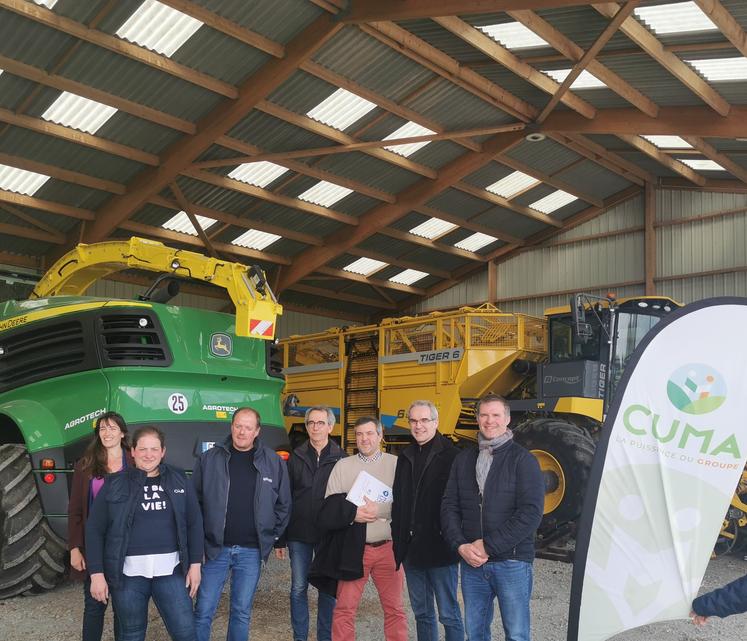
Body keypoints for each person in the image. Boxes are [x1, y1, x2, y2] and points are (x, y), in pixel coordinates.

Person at [441, 394, 544, 641]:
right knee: (475, 632)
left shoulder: (523, 460)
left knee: (517, 634)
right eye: (484, 415)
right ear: (477, 419)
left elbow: (530, 512)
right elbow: (449, 505)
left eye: (496, 415)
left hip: (513, 562)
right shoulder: (464, 459)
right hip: (472, 563)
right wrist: (460, 545)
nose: (490, 421)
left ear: (507, 419)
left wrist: (488, 545)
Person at [85, 426, 203, 641]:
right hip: (128, 576)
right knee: (131, 634)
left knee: (186, 633)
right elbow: (94, 530)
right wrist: (96, 574)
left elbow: (195, 523)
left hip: (171, 572)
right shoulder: (114, 484)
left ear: (163, 451)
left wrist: (195, 564)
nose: (149, 454)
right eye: (143, 449)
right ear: (133, 451)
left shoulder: (180, 480)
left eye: (154, 449)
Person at [193, 406, 291, 641]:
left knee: (241, 612)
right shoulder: (209, 459)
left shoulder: (273, 462)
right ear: (231, 426)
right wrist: (199, 541)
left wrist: (271, 536)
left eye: (248, 427)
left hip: (251, 551)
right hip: (215, 549)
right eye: (238, 426)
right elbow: (194, 503)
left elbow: (284, 504)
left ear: (257, 431)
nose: (242, 432)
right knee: (203, 610)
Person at [311, 416, 408, 641]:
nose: (364, 439)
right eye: (360, 434)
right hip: (354, 549)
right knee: (345, 609)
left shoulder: (397, 465)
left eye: (370, 433)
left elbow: (407, 506)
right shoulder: (343, 466)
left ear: (380, 435)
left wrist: (380, 511)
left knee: (395, 609)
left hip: (388, 549)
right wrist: (353, 513)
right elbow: (328, 509)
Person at [391, 401, 464, 641]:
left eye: (424, 420)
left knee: (449, 614)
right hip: (412, 551)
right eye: (413, 421)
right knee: (422, 614)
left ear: (436, 422)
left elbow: (460, 503)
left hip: (441, 549)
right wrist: (398, 538)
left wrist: (452, 537)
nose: (418, 426)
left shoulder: (453, 456)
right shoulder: (405, 456)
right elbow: (399, 501)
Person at [274, 406, 346, 641]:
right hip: (299, 534)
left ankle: (325, 636)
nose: (315, 427)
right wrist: (280, 537)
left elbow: (346, 499)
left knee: (328, 589)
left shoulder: (342, 458)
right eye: (311, 423)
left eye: (320, 423)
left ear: (330, 427)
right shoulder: (295, 457)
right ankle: (300, 637)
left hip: (329, 535)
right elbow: (284, 498)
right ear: (306, 427)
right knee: (298, 588)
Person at [68, 411, 133, 641]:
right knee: (95, 606)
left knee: (123, 609)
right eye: (102, 429)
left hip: (128, 547)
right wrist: (75, 547)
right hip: (94, 546)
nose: (107, 433)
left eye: (112, 428)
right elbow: (75, 509)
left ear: (122, 432)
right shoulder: (86, 465)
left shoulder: (134, 462)